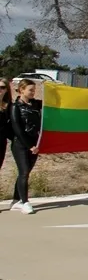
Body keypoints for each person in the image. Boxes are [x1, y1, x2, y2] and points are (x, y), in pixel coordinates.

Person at [9, 79, 42, 214]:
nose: (33, 92)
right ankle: (25, 202)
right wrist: (29, 146)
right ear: (21, 90)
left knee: (25, 172)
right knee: (24, 172)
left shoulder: (36, 104)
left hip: (35, 144)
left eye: (34, 90)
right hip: (20, 145)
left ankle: (16, 200)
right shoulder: (15, 107)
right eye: (30, 90)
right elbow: (17, 129)